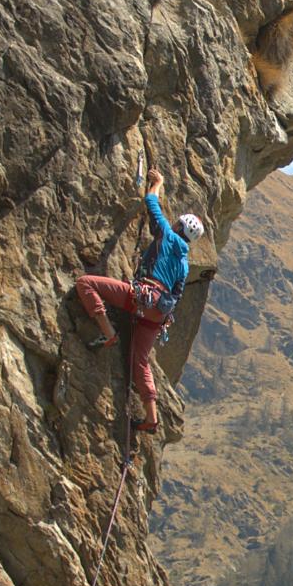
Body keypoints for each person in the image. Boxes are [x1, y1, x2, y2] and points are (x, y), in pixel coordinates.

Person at [74, 168, 204, 433]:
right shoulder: (184, 264)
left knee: (85, 284)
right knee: (140, 361)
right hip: (158, 314)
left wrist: (158, 183)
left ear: (179, 227)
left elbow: (151, 203)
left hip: (142, 297)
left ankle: (108, 333)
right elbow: (177, 295)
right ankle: (151, 418)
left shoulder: (167, 235)